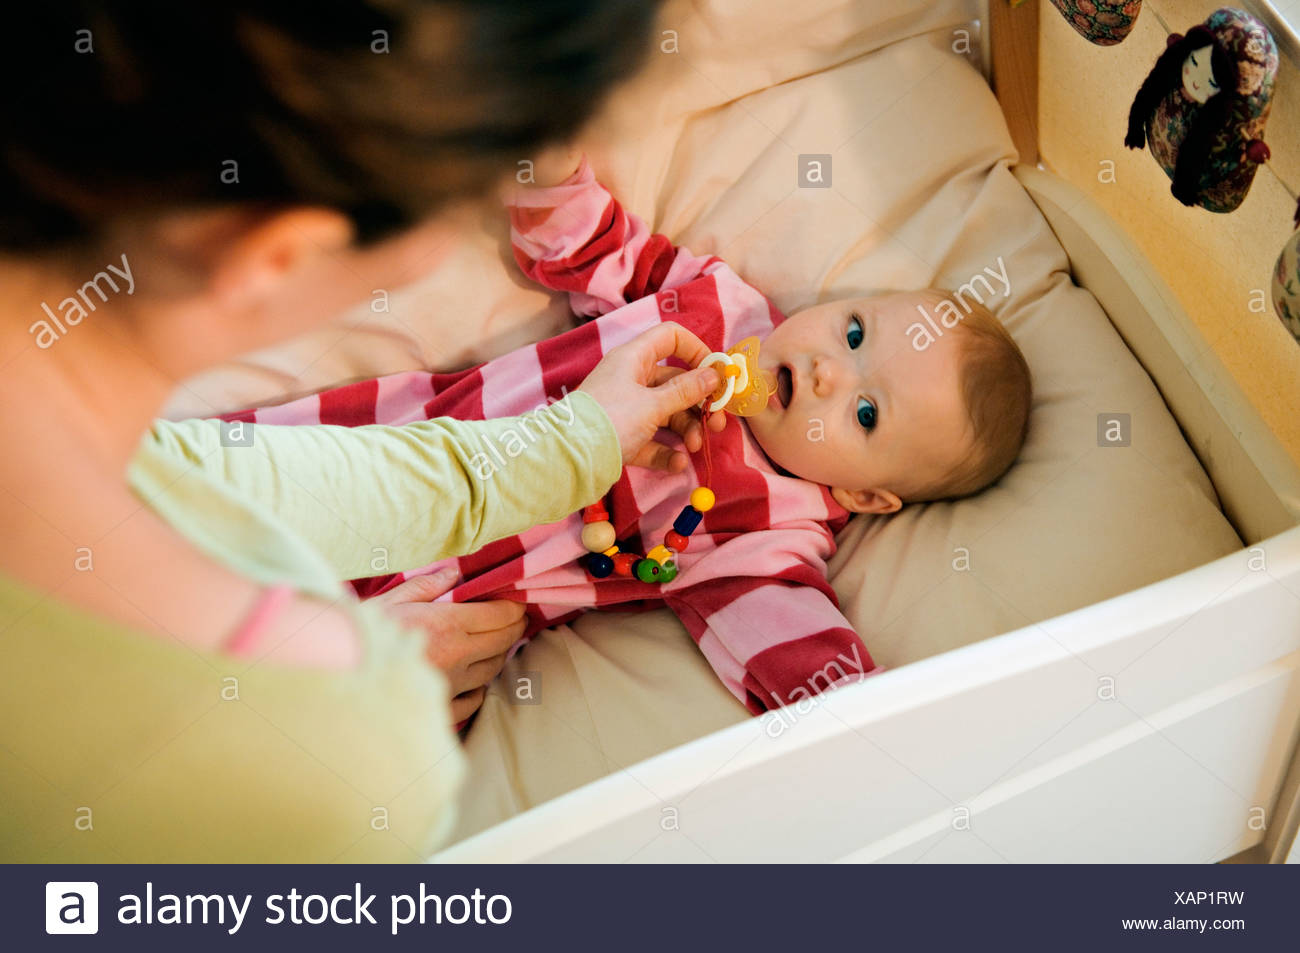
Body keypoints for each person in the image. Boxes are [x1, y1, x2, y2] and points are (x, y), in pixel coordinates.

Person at [0, 2, 729, 862]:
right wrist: (340, 707)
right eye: (463, 202)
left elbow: (208, 479)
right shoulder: (336, 770)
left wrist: (572, 443)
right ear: (279, 255)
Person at [222, 150, 1033, 714]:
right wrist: (546, 172)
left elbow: (795, 658)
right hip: (402, 440)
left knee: (253, 684)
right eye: (855, 333)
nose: (829, 370)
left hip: (435, 596)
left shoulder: (773, 533)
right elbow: (593, 246)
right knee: (206, 498)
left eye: (866, 413)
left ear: (861, 493)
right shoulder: (720, 307)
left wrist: (878, 719)